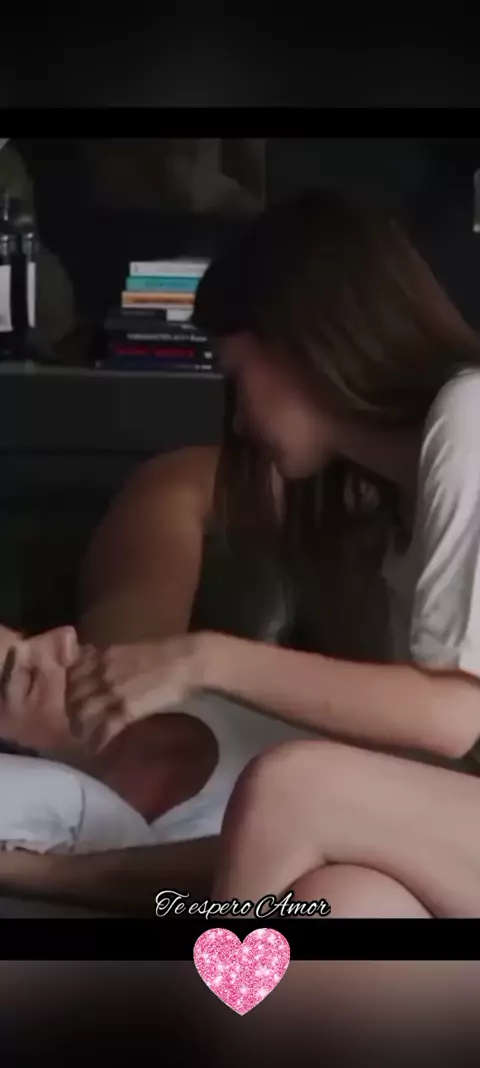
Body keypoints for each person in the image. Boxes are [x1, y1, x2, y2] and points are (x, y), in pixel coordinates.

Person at [61, 188, 480, 918]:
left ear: (303, 346)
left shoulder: (470, 417)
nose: (241, 422)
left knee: (294, 782)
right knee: (339, 902)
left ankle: (217, 992)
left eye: (237, 377)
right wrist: (43, 872)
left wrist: (206, 658)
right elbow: (419, 765)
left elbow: (450, 718)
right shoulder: (391, 509)